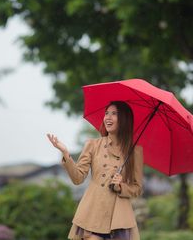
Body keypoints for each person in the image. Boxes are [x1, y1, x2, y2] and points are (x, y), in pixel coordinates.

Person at [47, 101, 143, 240]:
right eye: (106, 113)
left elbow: (137, 188)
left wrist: (121, 186)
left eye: (114, 114)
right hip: (93, 211)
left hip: (118, 217)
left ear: (124, 119)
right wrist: (66, 154)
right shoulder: (92, 145)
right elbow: (78, 178)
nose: (108, 118)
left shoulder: (135, 152)